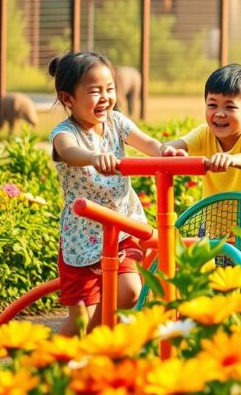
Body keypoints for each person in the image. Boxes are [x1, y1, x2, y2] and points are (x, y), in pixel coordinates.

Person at [48, 51, 186, 336]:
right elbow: (68, 152)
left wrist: (165, 151)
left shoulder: (117, 122)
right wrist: (93, 157)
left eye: (109, 89)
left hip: (123, 228)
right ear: (68, 98)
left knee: (130, 292)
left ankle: (94, 347)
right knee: (79, 322)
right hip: (82, 236)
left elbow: (147, 143)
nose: (105, 97)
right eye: (94, 91)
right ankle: (41, 365)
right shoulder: (64, 132)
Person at [163, 64, 241, 239]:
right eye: (212, 105)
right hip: (216, 230)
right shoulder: (203, 134)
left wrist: (231, 159)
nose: (219, 113)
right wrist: (168, 150)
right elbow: (175, 145)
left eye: (230, 107)